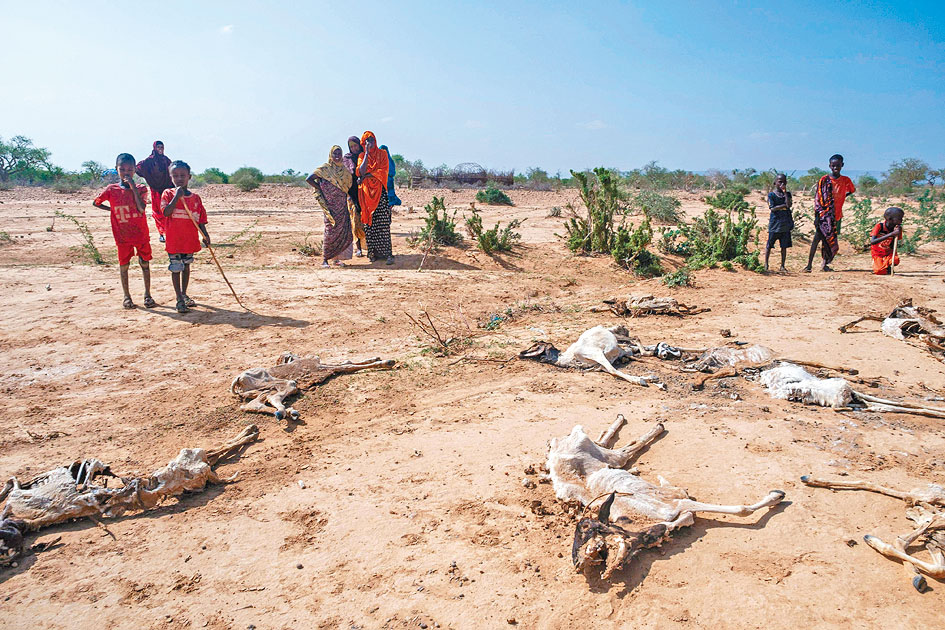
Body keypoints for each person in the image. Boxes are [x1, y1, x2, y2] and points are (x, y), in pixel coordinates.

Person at [93, 153, 154, 309]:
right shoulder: (111, 189)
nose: (126, 173)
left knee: (145, 263)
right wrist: (112, 210)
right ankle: (127, 296)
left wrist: (133, 187)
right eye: (122, 169)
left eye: (130, 169)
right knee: (124, 265)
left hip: (140, 233)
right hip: (122, 235)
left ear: (134, 170)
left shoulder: (141, 188)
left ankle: (148, 295)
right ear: (116, 169)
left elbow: (141, 208)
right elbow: (96, 202)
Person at [161, 160, 210, 314]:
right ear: (171, 177)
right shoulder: (168, 194)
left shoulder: (196, 198)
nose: (179, 178)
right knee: (176, 268)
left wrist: (205, 235)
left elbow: (200, 220)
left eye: (183, 175)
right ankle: (179, 299)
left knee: (186, 266)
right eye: (175, 176)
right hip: (174, 240)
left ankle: (184, 294)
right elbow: (166, 212)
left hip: (189, 240)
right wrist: (176, 197)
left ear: (189, 176)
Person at [805, 154, 855, 272]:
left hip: (836, 216)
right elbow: (818, 199)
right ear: (829, 166)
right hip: (823, 216)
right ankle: (809, 265)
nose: (835, 168)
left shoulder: (845, 180)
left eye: (838, 165)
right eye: (833, 166)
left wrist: (842, 197)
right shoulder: (824, 180)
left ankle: (824, 264)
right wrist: (817, 216)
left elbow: (852, 190)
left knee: (829, 240)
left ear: (842, 165)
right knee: (817, 239)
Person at [306, 145, 354, 267]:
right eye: (334, 154)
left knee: (343, 231)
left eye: (339, 154)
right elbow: (309, 179)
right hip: (330, 206)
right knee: (330, 230)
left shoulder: (344, 171)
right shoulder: (325, 169)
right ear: (330, 155)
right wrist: (321, 189)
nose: (337, 156)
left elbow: (349, 185)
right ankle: (325, 259)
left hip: (342, 205)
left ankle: (336, 259)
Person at [357, 131, 393, 265]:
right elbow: (360, 171)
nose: (370, 143)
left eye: (371, 140)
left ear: (375, 141)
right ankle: (372, 253)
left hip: (380, 192)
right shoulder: (362, 156)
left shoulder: (382, 154)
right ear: (363, 143)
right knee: (369, 223)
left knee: (383, 223)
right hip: (366, 194)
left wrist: (367, 176)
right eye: (367, 141)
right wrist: (366, 153)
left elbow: (383, 171)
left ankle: (388, 254)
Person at [135, 140, 173, 242]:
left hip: (166, 190)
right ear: (155, 148)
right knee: (158, 212)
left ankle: (169, 232)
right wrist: (148, 176)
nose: (160, 149)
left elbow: (172, 172)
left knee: (168, 211)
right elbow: (138, 168)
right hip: (155, 190)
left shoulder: (167, 160)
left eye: (162, 147)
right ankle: (161, 233)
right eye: (158, 147)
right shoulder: (149, 161)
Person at [343, 136, 368, 257]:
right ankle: (359, 248)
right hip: (352, 194)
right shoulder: (347, 158)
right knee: (355, 220)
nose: (354, 148)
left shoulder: (366, 156)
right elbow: (349, 172)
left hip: (366, 192)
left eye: (355, 145)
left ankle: (369, 246)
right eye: (351, 146)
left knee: (367, 220)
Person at [764, 174, 794, 272]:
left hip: (785, 223)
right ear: (775, 183)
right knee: (769, 245)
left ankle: (782, 266)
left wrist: (785, 194)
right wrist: (783, 206)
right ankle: (766, 264)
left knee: (784, 246)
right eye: (780, 182)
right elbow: (772, 208)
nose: (782, 184)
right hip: (775, 223)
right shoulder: (771, 195)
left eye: (784, 182)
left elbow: (789, 205)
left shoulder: (787, 194)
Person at [869, 206, 904, 275]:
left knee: (895, 260)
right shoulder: (879, 226)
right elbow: (872, 242)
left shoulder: (897, 229)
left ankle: (887, 266)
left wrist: (896, 234)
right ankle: (880, 265)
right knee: (879, 271)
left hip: (888, 253)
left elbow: (893, 244)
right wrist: (891, 234)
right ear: (890, 219)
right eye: (899, 218)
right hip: (877, 253)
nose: (901, 220)